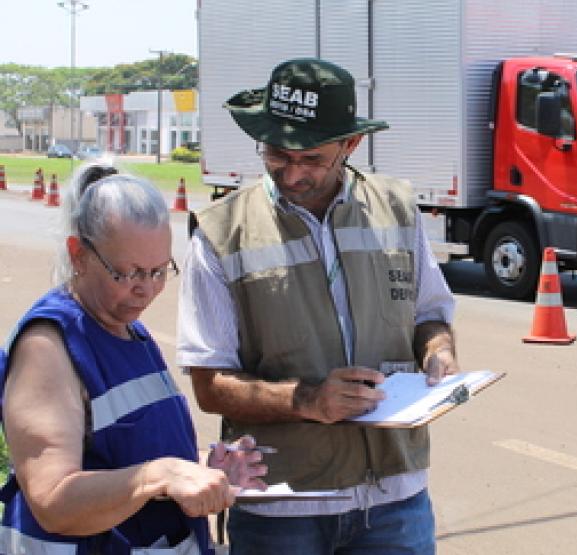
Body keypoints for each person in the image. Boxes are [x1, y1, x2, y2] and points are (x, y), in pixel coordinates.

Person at [176, 58, 459, 554]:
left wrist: (439, 352)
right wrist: (309, 401)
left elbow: (429, 314)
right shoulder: (223, 233)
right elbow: (210, 384)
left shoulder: (396, 207)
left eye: (311, 159)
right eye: (276, 155)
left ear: (350, 145)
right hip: (284, 506)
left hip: (395, 500)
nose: (292, 173)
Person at [0, 162, 267, 554]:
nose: (147, 290)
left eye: (159, 272)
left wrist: (200, 474)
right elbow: (53, 501)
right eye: (128, 273)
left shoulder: (131, 330)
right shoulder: (48, 347)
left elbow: (138, 452)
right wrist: (158, 476)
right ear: (78, 255)